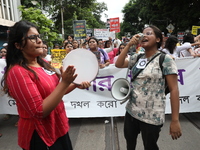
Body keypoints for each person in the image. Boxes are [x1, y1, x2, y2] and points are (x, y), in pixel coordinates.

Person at [1, 20, 91, 150]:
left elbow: (55, 92)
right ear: (18, 45)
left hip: (58, 127)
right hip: (40, 135)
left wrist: (75, 85)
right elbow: (39, 111)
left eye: (38, 36)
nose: (39, 41)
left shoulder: (42, 63)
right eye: (32, 38)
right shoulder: (18, 72)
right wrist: (65, 82)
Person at [115, 25, 182, 150]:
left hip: (152, 116)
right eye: (142, 34)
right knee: (130, 144)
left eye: (149, 33)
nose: (144, 36)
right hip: (131, 112)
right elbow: (118, 64)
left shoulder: (165, 59)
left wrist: (175, 120)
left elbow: (174, 90)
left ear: (158, 39)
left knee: (150, 146)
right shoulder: (138, 57)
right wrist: (129, 45)